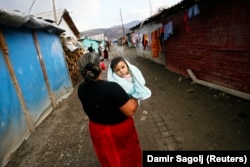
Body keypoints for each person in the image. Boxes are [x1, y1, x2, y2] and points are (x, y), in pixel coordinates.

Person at [77, 52, 142, 167]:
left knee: (108, 158)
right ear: (102, 66)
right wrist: (136, 91)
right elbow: (130, 110)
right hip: (119, 132)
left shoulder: (81, 89)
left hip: (97, 130)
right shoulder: (112, 88)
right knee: (128, 158)